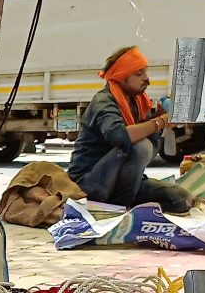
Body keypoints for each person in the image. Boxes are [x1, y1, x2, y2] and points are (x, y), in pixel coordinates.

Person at [67, 46, 193, 213]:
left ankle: (122, 204)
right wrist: (159, 122)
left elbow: (152, 147)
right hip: (91, 183)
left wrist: (158, 122)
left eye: (146, 73)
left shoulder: (139, 103)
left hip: (124, 183)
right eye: (139, 74)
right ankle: (119, 209)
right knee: (141, 146)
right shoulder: (104, 101)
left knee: (181, 198)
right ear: (122, 76)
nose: (147, 79)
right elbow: (118, 136)